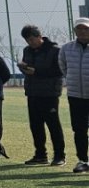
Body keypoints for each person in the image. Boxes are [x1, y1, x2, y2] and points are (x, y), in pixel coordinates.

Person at [17, 24, 66, 165]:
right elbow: (29, 69)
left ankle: (59, 156)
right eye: (27, 40)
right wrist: (23, 68)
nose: (30, 42)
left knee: (53, 125)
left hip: (49, 93)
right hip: (32, 92)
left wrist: (36, 72)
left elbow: (59, 71)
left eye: (32, 39)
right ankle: (40, 155)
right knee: (35, 125)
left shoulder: (55, 50)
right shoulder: (27, 50)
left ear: (39, 36)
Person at [61, 18, 89, 172]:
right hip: (75, 95)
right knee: (79, 129)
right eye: (79, 28)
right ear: (75, 31)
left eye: (86, 28)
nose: (83, 31)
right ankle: (83, 160)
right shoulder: (66, 48)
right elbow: (63, 67)